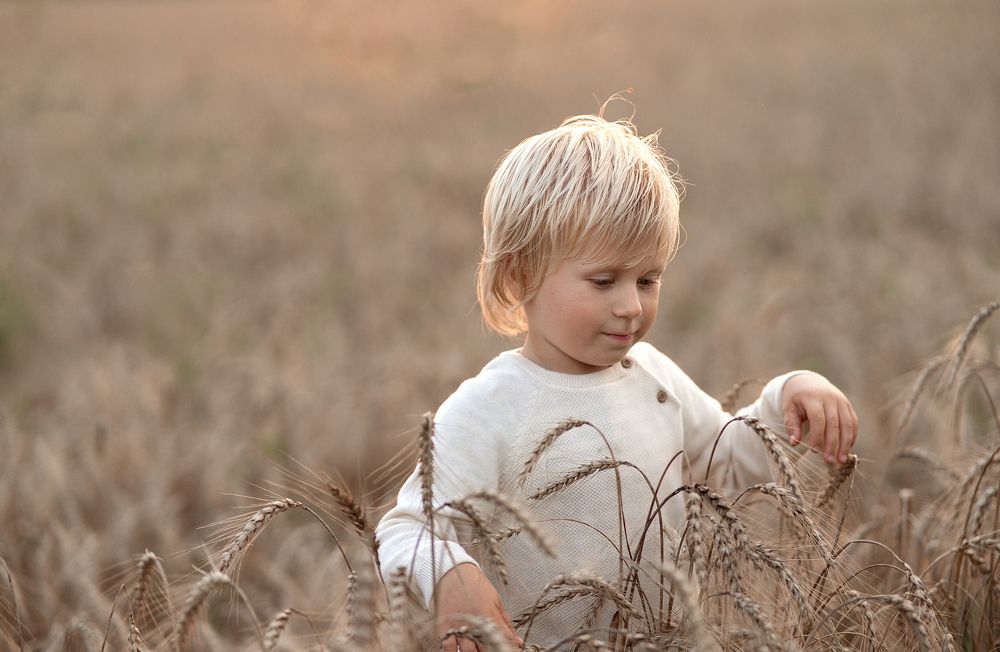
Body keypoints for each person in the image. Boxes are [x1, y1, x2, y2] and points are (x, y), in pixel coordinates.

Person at [376, 112, 858, 651]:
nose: (631, 306)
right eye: (604, 281)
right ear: (519, 276)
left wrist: (785, 399)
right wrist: (449, 577)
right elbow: (404, 531)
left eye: (648, 279)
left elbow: (728, 458)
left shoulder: (654, 378)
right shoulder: (489, 408)